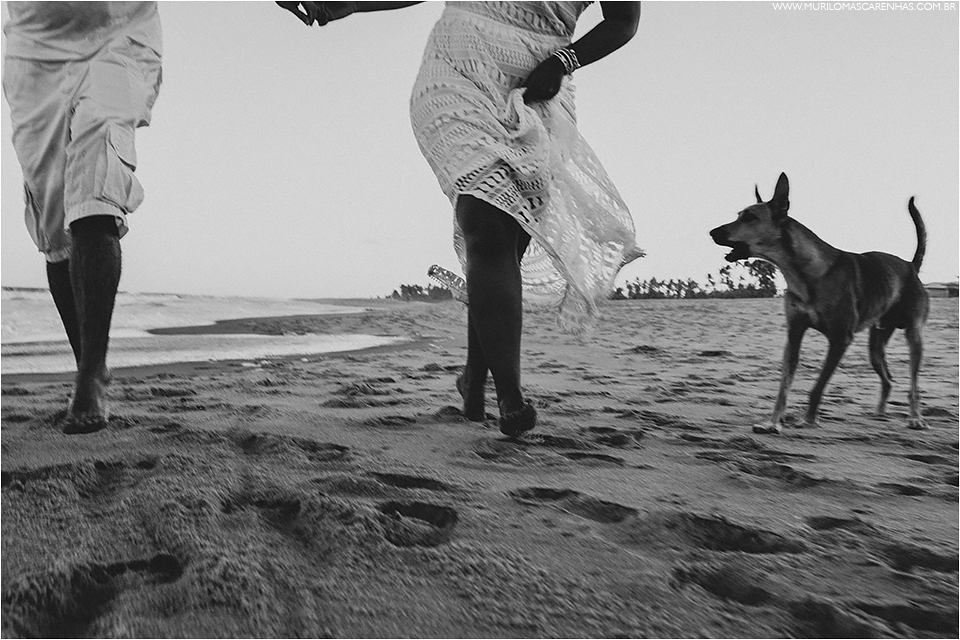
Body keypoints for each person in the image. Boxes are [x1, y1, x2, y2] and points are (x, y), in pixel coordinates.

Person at [278, 1, 642, 437]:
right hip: (457, 69)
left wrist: (565, 61)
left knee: (508, 240)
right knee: (487, 222)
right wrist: (347, 3)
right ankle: (510, 396)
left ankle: (473, 379)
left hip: (538, 86)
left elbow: (623, 22)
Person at [3, 2, 163, 433]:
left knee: (94, 192)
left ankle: (90, 375)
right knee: (56, 232)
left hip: (118, 36)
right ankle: (88, 362)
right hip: (34, 53)